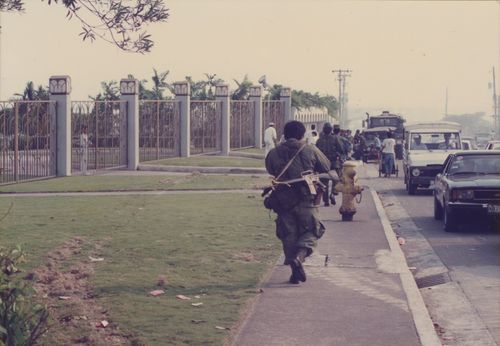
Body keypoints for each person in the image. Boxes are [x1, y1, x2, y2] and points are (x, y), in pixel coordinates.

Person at [265, 120, 331, 284]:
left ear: (285, 135)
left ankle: (294, 271)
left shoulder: (273, 153)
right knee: (313, 230)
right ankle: (299, 258)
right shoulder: (309, 149)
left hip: (283, 201)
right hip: (306, 199)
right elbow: (326, 166)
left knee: (289, 235)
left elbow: (271, 169)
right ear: (302, 134)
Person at [316, 122, 345, 206]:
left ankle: (326, 201)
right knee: (336, 179)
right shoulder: (335, 138)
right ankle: (333, 193)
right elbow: (341, 149)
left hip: (323, 164)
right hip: (334, 162)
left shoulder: (319, 140)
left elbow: (316, 152)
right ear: (331, 130)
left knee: (324, 182)